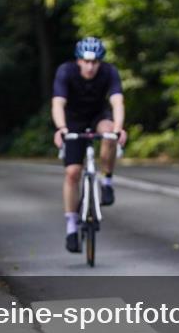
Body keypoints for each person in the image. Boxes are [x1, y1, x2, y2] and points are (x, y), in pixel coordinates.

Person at [52, 37, 127, 253]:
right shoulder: (65, 72)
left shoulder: (109, 72)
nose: (91, 66)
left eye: (95, 62)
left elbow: (117, 102)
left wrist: (119, 128)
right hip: (73, 120)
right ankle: (71, 226)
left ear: (101, 62)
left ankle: (107, 182)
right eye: (86, 61)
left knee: (109, 132)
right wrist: (61, 128)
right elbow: (57, 103)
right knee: (72, 173)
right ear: (78, 61)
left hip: (98, 116)